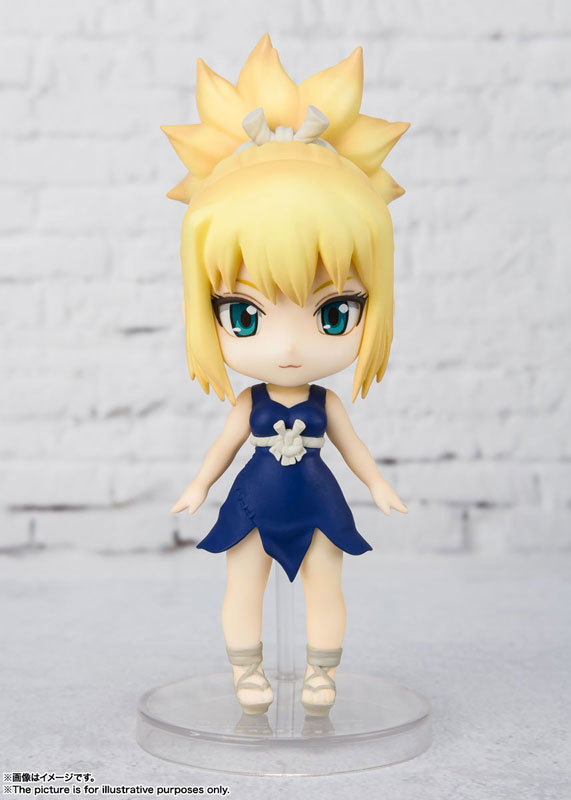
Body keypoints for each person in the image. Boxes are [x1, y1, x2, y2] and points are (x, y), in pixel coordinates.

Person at [166, 34, 409, 716]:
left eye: (334, 314)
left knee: (326, 587)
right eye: (244, 315)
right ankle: (247, 672)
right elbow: (222, 449)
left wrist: (379, 484)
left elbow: (355, 451)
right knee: (242, 586)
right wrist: (197, 485)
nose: (290, 347)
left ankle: (321, 675)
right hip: (250, 504)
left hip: (319, 502)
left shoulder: (326, 404)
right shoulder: (249, 403)